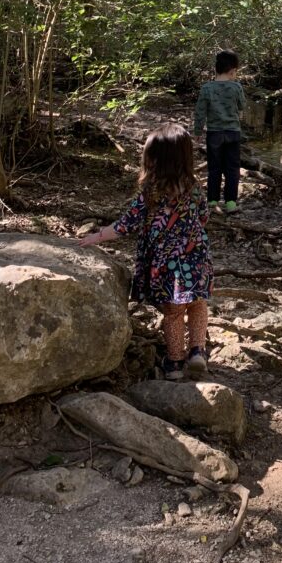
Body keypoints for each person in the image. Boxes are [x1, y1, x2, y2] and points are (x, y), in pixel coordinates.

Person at [80, 122, 212, 382]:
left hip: (166, 265)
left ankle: (174, 363)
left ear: (155, 160)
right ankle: (197, 351)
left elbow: (126, 223)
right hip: (196, 257)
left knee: (173, 312)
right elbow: (205, 216)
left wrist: (96, 236)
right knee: (198, 304)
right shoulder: (194, 188)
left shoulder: (151, 191)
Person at [194, 49, 245, 213]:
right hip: (232, 133)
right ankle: (231, 202)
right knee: (232, 168)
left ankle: (212, 201)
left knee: (214, 167)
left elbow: (200, 112)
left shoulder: (206, 88)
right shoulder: (236, 87)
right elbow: (242, 107)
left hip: (214, 133)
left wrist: (197, 132)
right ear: (232, 71)